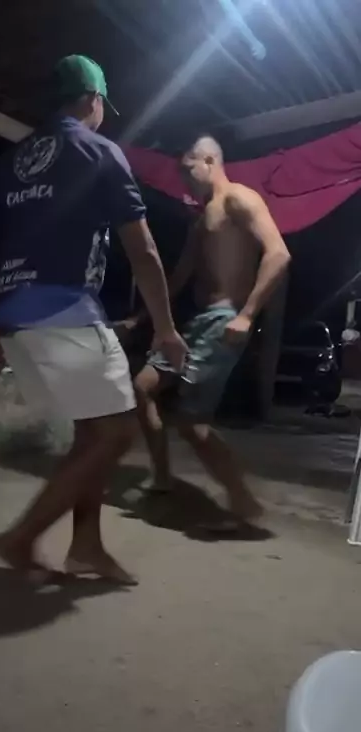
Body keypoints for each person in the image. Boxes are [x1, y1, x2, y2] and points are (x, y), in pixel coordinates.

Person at [0, 55, 186, 585]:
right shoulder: (99, 151)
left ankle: (86, 548)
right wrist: (167, 329)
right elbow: (144, 251)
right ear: (92, 99)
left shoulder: (12, 160)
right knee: (117, 433)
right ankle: (21, 537)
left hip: (14, 316)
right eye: (102, 102)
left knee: (92, 433)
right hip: (64, 309)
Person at [133, 135, 291, 523]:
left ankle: (243, 502)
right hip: (198, 321)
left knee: (191, 422)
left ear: (208, 160)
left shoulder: (240, 198)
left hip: (225, 320)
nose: (184, 179)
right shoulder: (201, 219)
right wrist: (144, 319)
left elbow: (278, 254)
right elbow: (179, 278)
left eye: (188, 170)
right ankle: (162, 476)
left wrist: (247, 314)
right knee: (143, 387)